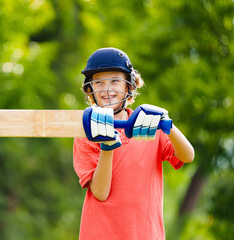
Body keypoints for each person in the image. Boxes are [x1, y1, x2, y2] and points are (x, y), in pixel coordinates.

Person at [73, 47, 194, 240]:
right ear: (90, 89)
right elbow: (100, 193)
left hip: (146, 234)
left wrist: (166, 122)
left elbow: (188, 155)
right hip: (100, 234)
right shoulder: (86, 133)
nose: (107, 89)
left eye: (115, 81)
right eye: (99, 82)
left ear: (129, 86)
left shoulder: (150, 125)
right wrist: (107, 146)